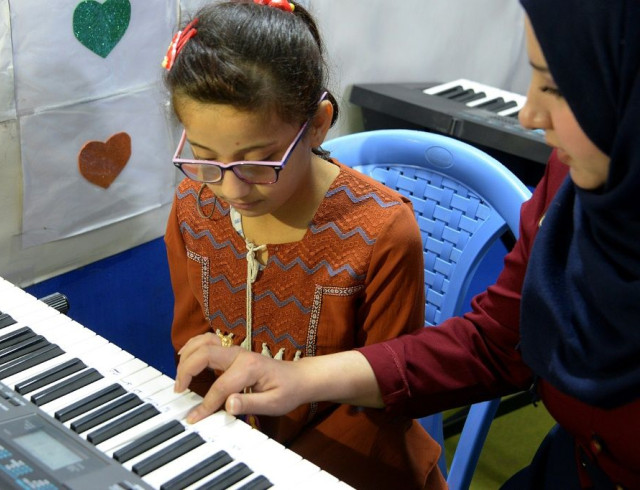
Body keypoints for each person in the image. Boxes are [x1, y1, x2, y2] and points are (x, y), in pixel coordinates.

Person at [174, 0, 640, 488]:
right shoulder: (574, 184)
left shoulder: (378, 229)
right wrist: (298, 377)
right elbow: (498, 341)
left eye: (557, 87)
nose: (528, 115)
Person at [162, 1, 445, 488]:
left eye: (260, 161)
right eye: (205, 158)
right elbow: (194, 350)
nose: (231, 190)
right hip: (237, 458)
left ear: (317, 123)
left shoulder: (380, 232)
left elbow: (384, 396)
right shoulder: (194, 205)